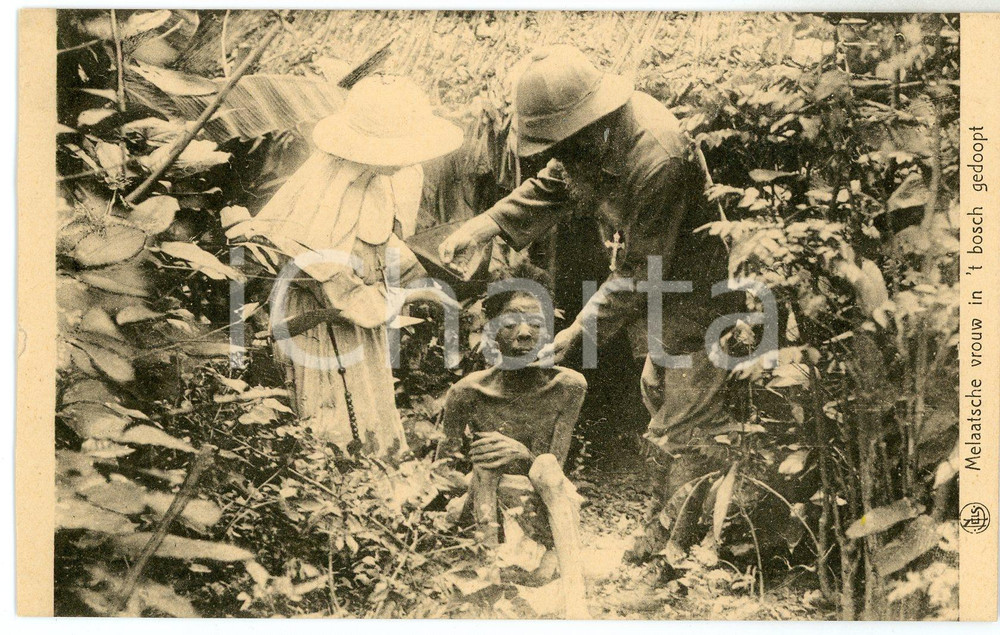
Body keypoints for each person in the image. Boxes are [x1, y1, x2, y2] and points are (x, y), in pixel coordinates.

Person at [439, 46, 739, 556]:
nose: (559, 154)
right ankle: (672, 534)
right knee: (659, 398)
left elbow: (642, 271)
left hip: (698, 299)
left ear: (589, 124)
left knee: (684, 427)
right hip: (660, 298)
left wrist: (578, 332)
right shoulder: (595, 137)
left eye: (562, 143)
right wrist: (483, 225)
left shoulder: (656, 157)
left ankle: (671, 554)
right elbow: (555, 183)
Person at [239, 75, 463, 457]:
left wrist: (418, 266)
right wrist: (402, 295)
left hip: (364, 319)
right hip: (322, 318)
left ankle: (373, 476)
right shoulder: (324, 189)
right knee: (333, 415)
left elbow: (379, 245)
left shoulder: (380, 183)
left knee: (370, 402)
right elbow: (320, 272)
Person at [438, 263, 589, 618]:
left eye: (536, 323)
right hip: (482, 510)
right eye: (511, 322)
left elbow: (550, 472)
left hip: (539, 509)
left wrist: (520, 454)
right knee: (486, 462)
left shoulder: (568, 387)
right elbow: (442, 474)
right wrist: (476, 480)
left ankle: (576, 599)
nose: (525, 333)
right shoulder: (467, 392)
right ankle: (488, 573)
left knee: (547, 464)